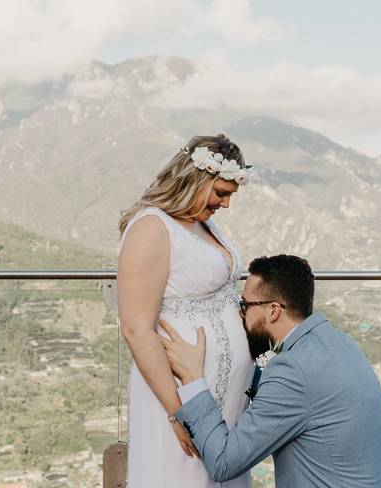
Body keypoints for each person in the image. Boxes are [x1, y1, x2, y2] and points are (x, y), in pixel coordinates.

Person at [159, 254, 381, 487]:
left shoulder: (293, 370)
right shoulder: (340, 343)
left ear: (273, 310)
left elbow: (223, 462)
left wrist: (193, 378)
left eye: (244, 305)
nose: (239, 314)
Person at [117, 134, 256, 488]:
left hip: (219, 404)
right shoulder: (151, 228)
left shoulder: (201, 222)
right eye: (221, 193)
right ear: (196, 179)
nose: (225, 205)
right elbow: (136, 328)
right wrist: (178, 413)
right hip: (179, 395)